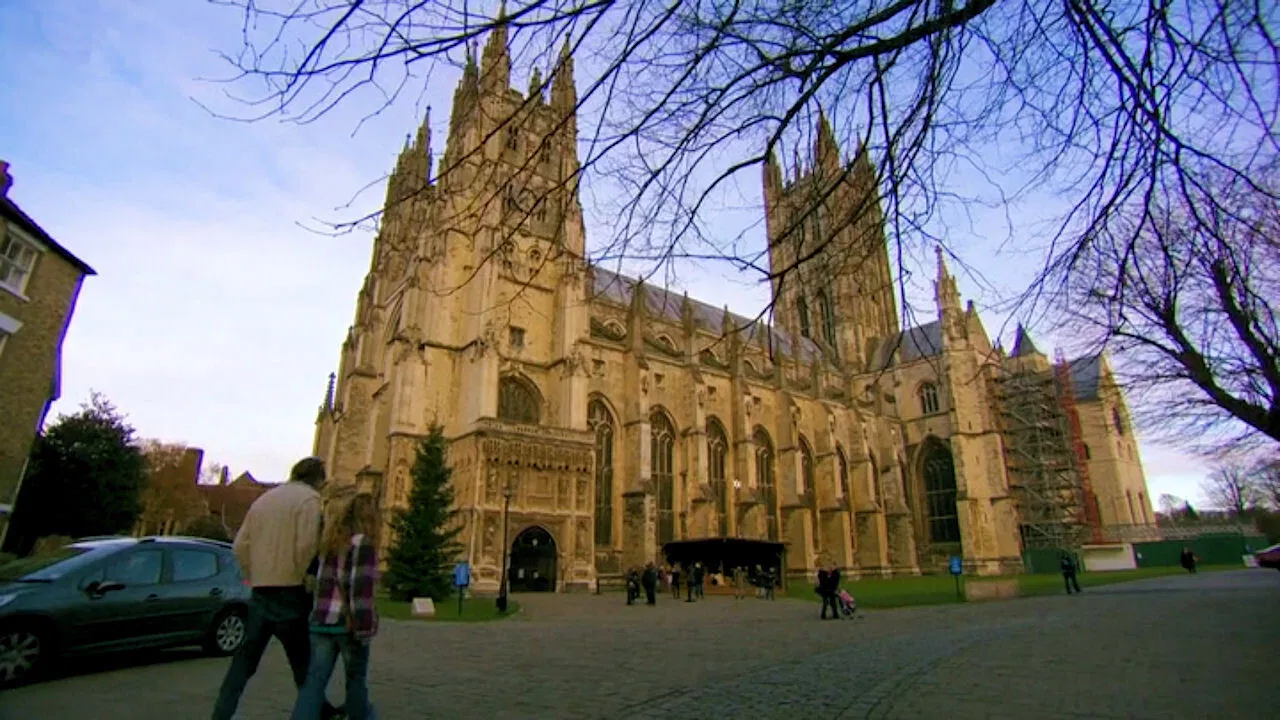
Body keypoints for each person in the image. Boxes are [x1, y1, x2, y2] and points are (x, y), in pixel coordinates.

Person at [212, 457, 341, 720]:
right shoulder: (310, 501)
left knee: (243, 664)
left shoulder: (265, 500)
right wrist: (300, 573)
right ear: (318, 480)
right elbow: (307, 545)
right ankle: (318, 711)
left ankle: (221, 714)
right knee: (303, 661)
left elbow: (240, 546)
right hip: (290, 592)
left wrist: (254, 574)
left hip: (260, 592)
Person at [291, 494, 381, 720]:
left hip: (321, 621)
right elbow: (360, 592)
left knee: (313, 684)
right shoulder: (363, 544)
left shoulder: (330, 543)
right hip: (347, 625)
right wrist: (365, 629)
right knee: (356, 682)